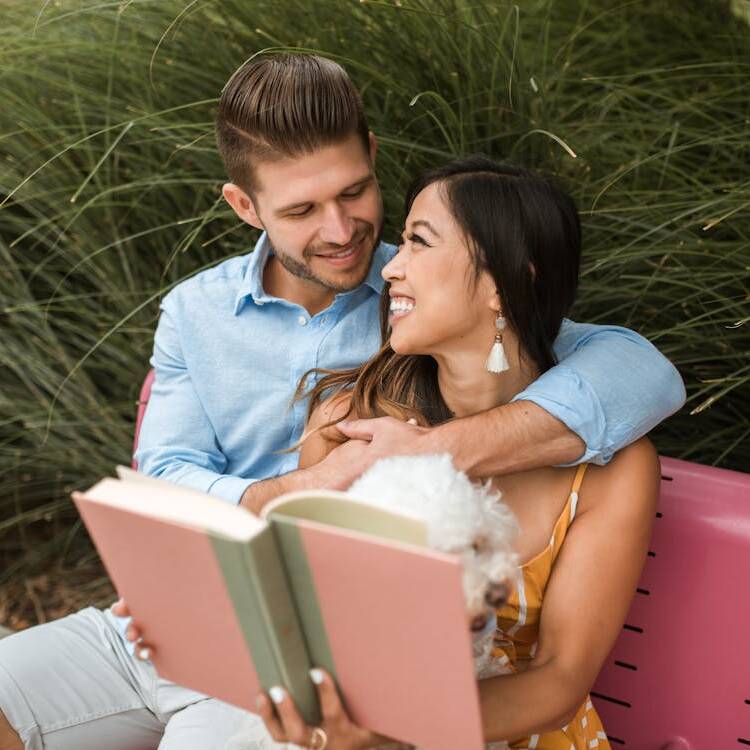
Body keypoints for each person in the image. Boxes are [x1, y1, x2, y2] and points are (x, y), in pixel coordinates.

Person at [0, 54, 682, 750]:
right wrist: (261, 522)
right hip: (212, 626)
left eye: (355, 192)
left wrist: (429, 451)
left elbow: (638, 371)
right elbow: (163, 480)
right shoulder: (208, 321)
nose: (344, 233)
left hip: (332, 685)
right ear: (244, 206)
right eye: (300, 210)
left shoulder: (427, 296)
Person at [242, 157, 660, 749]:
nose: (391, 268)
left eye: (419, 242)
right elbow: (308, 622)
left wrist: (397, 730)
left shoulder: (612, 471)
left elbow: (560, 678)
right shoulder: (348, 420)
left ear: (502, 282)